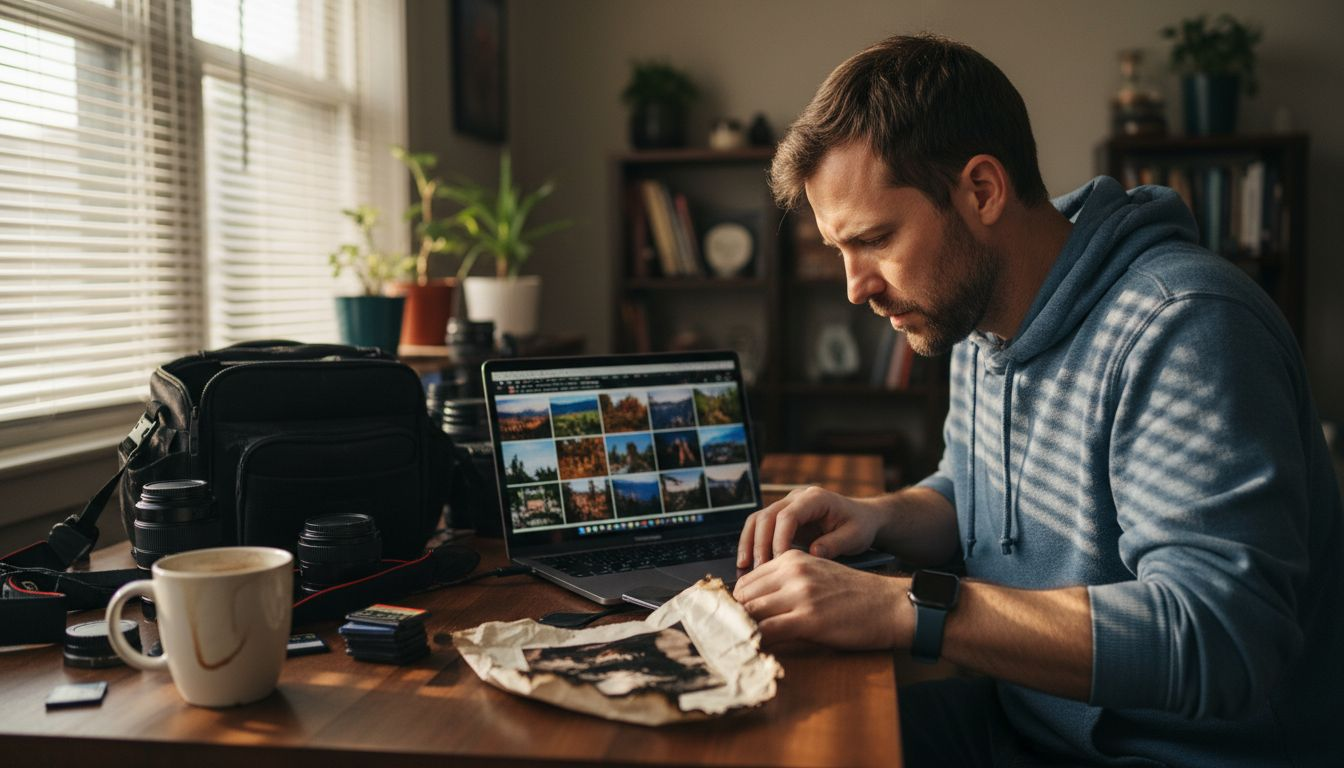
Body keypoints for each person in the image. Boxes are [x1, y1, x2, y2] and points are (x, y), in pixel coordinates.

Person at [734, 33, 1342, 767]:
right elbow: (974, 494)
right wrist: (878, 517)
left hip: (1170, 754)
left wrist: (901, 606)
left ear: (982, 190)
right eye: (840, 251)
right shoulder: (976, 319)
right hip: (1024, 721)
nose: (855, 286)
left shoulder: (1184, 326)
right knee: (767, 743)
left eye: (876, 239)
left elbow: (1220, 636)